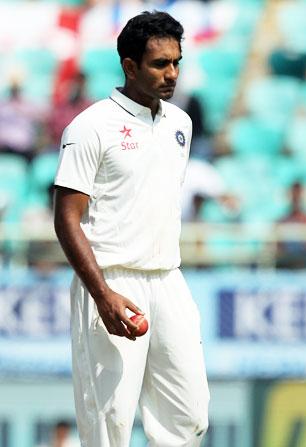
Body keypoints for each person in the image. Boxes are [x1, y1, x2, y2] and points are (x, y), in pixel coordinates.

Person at [53, 11, 209, 447]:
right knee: (110, 424)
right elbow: (65, 217)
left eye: (176, 62)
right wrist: (102, 295)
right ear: (129, 66)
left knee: (189, 416)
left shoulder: (181, 124)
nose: (172, 74)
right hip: (111, 280)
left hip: (168, 279)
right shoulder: (90, 127)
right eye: (160, 64)